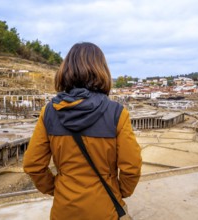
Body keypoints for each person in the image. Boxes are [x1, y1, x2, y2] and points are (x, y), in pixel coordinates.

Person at [23, 42, 142, 220]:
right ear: (102, 70)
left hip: (64, 209)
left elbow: (33, 165)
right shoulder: (117, 113)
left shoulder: (49, 112)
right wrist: (118, 191)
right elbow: (131, 167)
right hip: (105, 209)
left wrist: (57, 188)